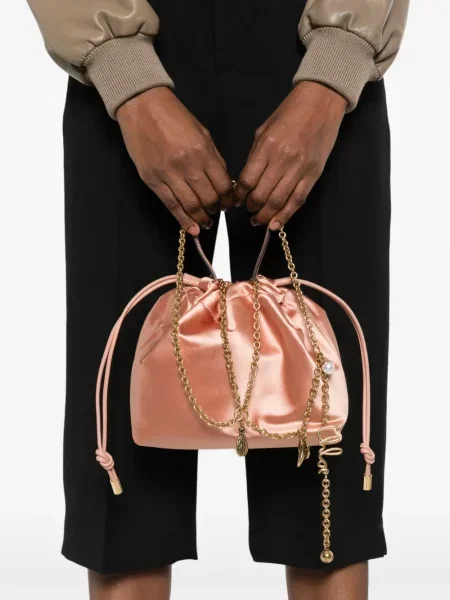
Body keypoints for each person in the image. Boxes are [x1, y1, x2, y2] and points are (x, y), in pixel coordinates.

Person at [27, 1, 409, 598]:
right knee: (124, 461)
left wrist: (334, 72)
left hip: (311, 52)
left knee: (325, 464)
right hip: (127, 51)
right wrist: (125, 75)